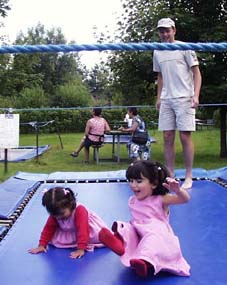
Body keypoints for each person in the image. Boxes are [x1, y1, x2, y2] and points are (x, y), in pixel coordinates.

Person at [99, 160, 190, 278]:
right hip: (139, 233)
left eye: (138, 181)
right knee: (126, 228)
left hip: (158, 236)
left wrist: (178, 190)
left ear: (154, 183)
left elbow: (185, 199)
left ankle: (144, 263)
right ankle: (118, 244)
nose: (133, 185)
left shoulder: (161, 199)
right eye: (131, 181)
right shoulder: (132, 200)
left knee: (151, 241)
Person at [153, 18, 202, 189]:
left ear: (174, 30)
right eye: (161, 31)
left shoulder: (185, 47)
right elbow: (160, 77)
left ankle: (189, 176)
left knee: (184, 136)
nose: (165, 34)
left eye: (167, 30)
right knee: (167, 137)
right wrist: (158, 97)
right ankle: (170, 175)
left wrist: (196, 96)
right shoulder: (157, 51)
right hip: (167, 98)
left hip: (184, 98)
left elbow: (197, 73)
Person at [28, 186, 107, 258]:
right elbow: (48, 228)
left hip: (86, 231)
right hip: (68, 231)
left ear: (70, 204)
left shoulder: (80, 210)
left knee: (101, 238)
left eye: (62, 214)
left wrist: (81, 249)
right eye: (55, 215)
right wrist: (42, 245)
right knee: (53, 238)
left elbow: (83, 230)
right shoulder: (56, 212)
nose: (58, 217)